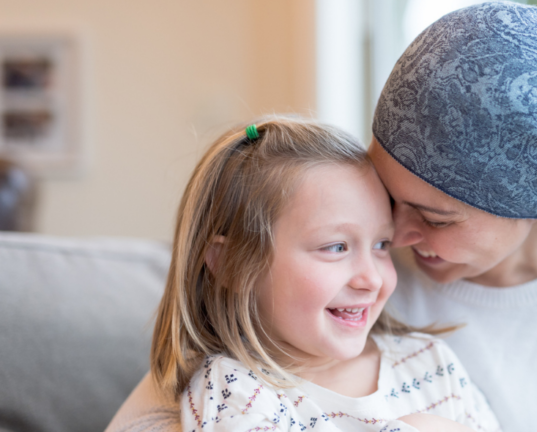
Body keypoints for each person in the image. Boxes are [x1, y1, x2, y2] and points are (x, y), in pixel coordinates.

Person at [106, 2, 537, 432]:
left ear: (532, 205)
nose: (401, 239)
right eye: (391, 200)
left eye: (435, 217)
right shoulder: (345, 292)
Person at [149, 118, 501, 432]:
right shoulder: (235, 390)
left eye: (382, 244)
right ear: (233, 265)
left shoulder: (429, 362)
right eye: (336, 248)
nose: (371, 279)